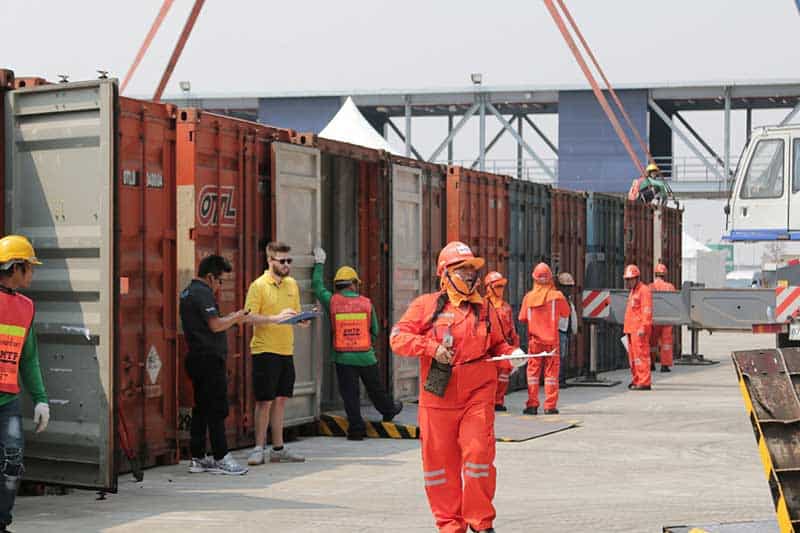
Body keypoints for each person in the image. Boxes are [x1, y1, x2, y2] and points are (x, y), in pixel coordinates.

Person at [390, 241, 517, 533]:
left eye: (473, 270)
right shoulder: (426, 306)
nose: (471, 276)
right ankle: (449, 525)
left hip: (477, 394)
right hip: (438, 399)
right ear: (444, 274)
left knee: (478, 456)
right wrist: (430, 347)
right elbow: (397, 337)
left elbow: (499, 344)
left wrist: (513, 357)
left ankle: (481, 522)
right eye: (463, 270)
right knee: (440, 468)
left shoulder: (484, 309)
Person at [311, 247, 402, 440]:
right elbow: (375, 330)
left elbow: (317, 286)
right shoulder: (366, 303)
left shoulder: (332, 301)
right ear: (353, 284)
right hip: (365, 355)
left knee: (350, 394)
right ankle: (388, 410)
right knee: (375, 388)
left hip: (343, 357)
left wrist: (319, 263)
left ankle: (356, 429)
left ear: (337, 285)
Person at [179, 255, 249, 475]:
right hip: (209, 359)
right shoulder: (202, 293)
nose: (221, 286)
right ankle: (221, 456)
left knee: (201, 408)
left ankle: (198, 457)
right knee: (217, 409)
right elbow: (216, 325)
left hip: (197, 357)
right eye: (220, 281)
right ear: (210, 277)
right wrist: (236, 317)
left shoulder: (188, 292)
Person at [0, 236, 49, 532]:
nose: (32, 272)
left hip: (7, 401)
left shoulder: (26, 307)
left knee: (12, 463)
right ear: (15, 267)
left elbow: (28, 358)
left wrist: (41, 398)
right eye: (29, 266)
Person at [245, 242, 308, 465]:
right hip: (264, 350)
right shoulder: (258, 286)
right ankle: (258, 448)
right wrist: (274, 318)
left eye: (289, 261)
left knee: (281, 400)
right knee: (264, 400)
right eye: (282, 261)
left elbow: (294, 313)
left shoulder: (292, 285)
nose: (286, 265)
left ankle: (278, 448)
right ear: (270, 261)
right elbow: (248, 317)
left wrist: (301, 320)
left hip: (285, 350)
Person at [519, 263, 570, 415]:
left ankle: (532, 404)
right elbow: (566, 313)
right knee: (551, 374)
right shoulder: (557, 296)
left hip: (534, 342)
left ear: (534, 278)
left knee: (533, 374)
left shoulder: (528, 298)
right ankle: (550, 406)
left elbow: (522, 317)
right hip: (552, 342)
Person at [483, 271, 520, 412]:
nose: (500, 289)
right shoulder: (483, 306)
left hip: (504, 346)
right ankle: (489, 401)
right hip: (488, 347)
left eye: (502, 286)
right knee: (488, 377)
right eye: (497, 286)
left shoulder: (506, 307)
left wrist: (515, 349)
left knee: (503, 376)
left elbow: (512, 329)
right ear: (489, 287)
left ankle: (498, 401)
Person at [623, 264, 653, 390]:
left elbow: (647, 310)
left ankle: (644, 381)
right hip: (631, 329)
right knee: (633, 358)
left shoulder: (644, 290)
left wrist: (643, 328)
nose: (629, 282)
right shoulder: (633, 291)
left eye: (630, 279)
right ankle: (637, 379)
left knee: (641, 355)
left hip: (639, 330)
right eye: (627, 280)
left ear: (637, 278)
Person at [650, 263, 676, 373]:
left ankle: (651, 364)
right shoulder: (670, 287)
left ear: (655, 274)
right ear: (665, 274)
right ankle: (664, 365)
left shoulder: (649, 287)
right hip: (667, 319)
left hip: (654, 319)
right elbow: (675, 302)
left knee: (652, 343)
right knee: (666, 343)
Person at [556, 272, 579, 387]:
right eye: (567, 287)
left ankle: (561, 379)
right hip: (559, 331)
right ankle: (559, 380)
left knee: (563, 356)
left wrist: (574, 329)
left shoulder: (567, 299)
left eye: (570, 287)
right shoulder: (558, 299)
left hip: (565, 331)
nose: (569, 289)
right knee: (560, 357)